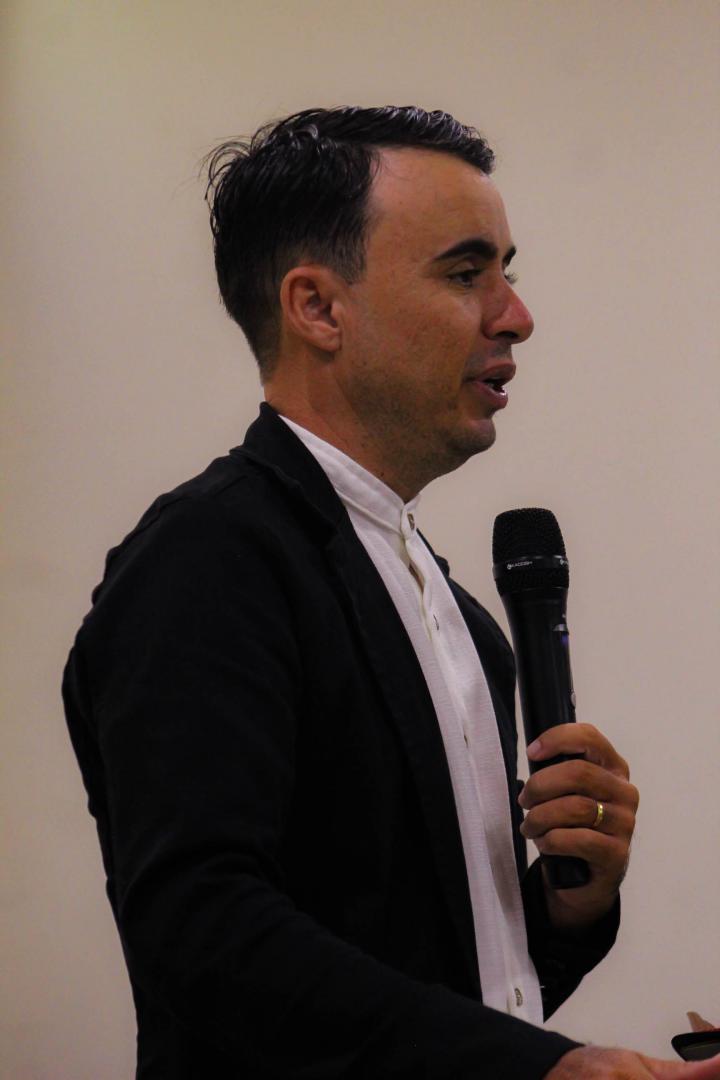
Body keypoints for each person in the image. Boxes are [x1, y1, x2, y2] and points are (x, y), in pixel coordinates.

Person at [62, 106, 717, 1079]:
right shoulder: (211, 557)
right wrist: (542, 1070)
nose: (516, 315)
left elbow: (453, 983)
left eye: (507, 271)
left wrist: (569, 906)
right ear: (318, 308)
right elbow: (200, 929)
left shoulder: (464, 622)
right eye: (465, 273)